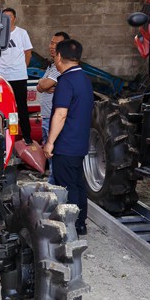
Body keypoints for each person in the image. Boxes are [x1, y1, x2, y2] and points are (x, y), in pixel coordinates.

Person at [42, 39, 94, 237]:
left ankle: (70, 227)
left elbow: (60, 114)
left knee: (67, 186)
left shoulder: (65, 81)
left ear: (60, 57)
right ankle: (81, 223)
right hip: (80, 142)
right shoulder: (84, 79)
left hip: (66, 144)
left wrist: (50, 142)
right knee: (78, 184)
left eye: (55, 56)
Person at [0, 7, 34, 144]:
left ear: (14, 18)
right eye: (4, 17)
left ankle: (27, 136)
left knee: (22, 106)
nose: (7, 19)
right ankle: (2, 137)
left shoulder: (22, 33)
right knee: (1, 107)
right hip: (1, 76)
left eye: (9, 16)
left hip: (18, 76)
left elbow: (28, 53)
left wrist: (21, 68)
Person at [36, 31, 70, 144]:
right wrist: (43, 85)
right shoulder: (52, 65)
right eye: (51, 43)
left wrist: (42, 84)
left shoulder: (59, 66)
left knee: (52, 148)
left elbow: (44, 85)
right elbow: (39, 87)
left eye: (56, 44)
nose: (52, 46)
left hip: (53, 117)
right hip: (46, 116)